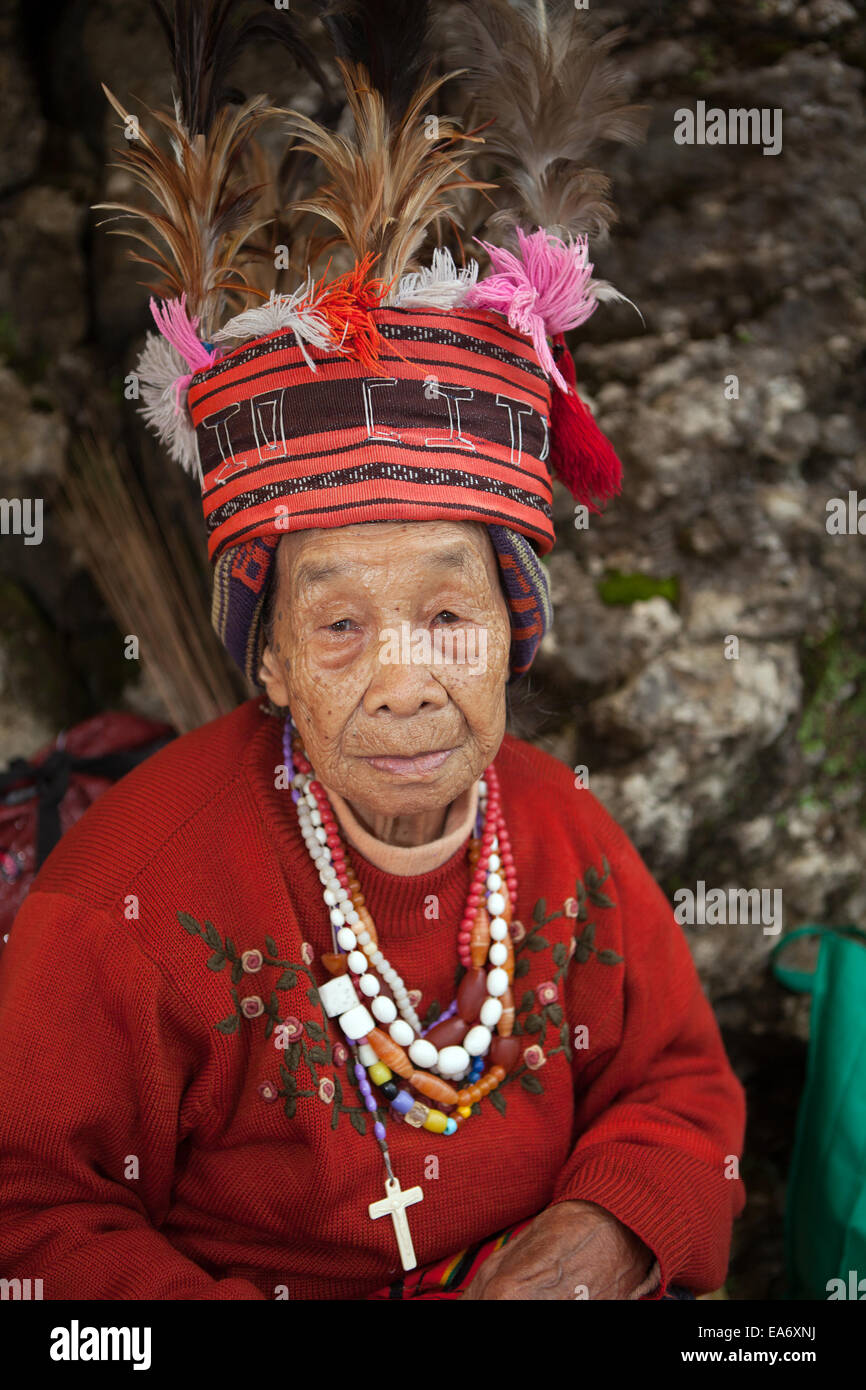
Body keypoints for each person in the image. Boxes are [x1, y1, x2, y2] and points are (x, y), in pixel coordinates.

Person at [0, 1, 745, 1300]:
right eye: (339, 621)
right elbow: (32, 1211)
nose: (403, 673)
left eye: (449, 614)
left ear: (515, 631)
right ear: (271, 661)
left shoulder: (562, 831)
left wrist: (602, 1235)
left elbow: (677, 1081)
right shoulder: (127, 899)